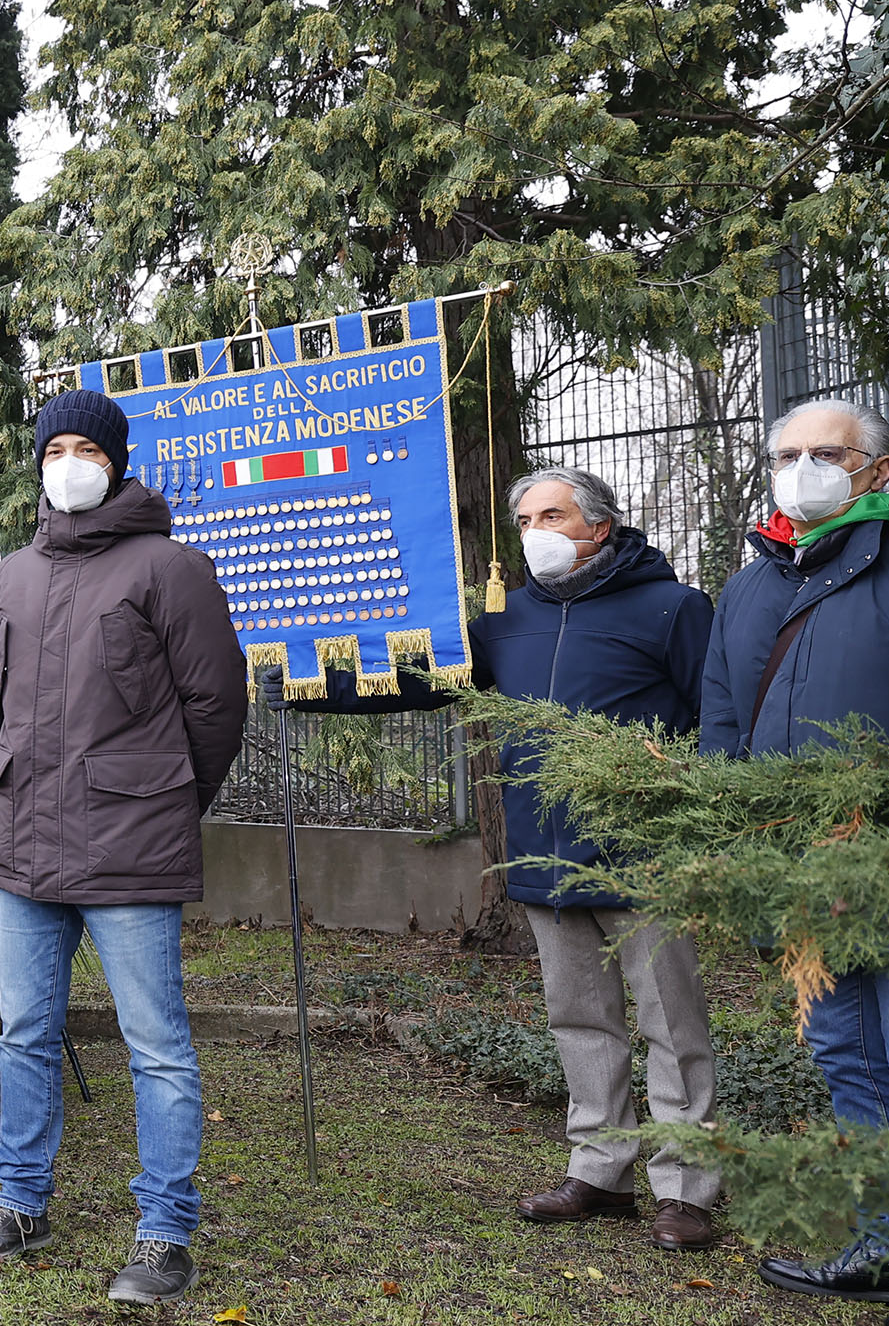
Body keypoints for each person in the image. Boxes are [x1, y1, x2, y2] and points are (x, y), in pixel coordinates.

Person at [260, 465, 723, 1254]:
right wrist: (315, 687)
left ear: (600, 525)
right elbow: (419, 679)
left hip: (646, 861)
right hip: (545, 853)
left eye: (553, 514)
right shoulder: (506, 620)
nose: (537, 531)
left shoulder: (674, 609)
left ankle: (687, 1187)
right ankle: (600, 1169)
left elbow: (716, 719)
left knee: (670, 1023)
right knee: (579, 1018)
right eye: (526, 518)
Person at [0, 392, 246, 1302]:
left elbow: (216, 708)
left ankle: (164, 1229)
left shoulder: (171, 568)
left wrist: (161, 796)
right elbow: (3, 701)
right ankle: (21, 1200)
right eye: (55, 448)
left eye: (86, 447)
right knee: (27, 1032)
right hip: (26, 843)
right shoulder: (13, 575)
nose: (68, 462)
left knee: (154, 1043)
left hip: (130, 846)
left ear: (116, 461)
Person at [698, 399, 889, 1307]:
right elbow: (722, 727)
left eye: (827, 452)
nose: (802, 468)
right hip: (799, 889)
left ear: (879, 471)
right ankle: (888, 1244)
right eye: (786, 453)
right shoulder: (749, 587)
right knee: (849, 1056)